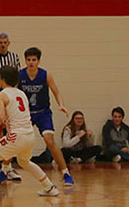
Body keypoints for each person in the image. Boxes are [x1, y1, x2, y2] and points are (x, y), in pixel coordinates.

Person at [0, 66, 60, 200]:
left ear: (1, 78)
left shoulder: (0, 95)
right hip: (29, 135)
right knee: (24, 161)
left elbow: (0, 117)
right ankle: (49, 186)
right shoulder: (21, 93)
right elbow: (16, 114)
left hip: (16, 136)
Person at [16, 47, 75, 187]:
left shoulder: (45, 74)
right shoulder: (20, 75)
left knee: (50, 141)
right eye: (28, 60)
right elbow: (12, 93)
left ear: (38, 61)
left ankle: (66, 173)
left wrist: (61, 104)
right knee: (15, 140)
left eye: (34, 60)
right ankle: (4, 170)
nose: (31, 62)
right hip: (26, 114)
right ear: (25, 61)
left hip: (43, 113)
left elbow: (56, 91)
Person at [0, 33, 22, 182]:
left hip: (11, 92)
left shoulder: (14, 57)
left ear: (9, 43)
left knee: (10, 129)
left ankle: (8, 167)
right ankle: (1, 163)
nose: (3, 44)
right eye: (0, 42)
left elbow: (17, 75)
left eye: (5, 42)